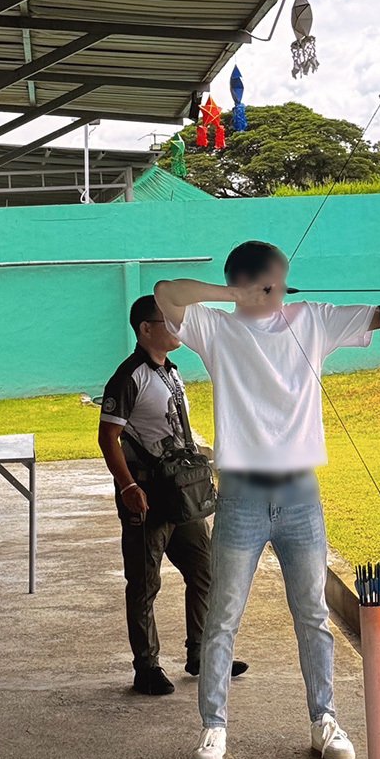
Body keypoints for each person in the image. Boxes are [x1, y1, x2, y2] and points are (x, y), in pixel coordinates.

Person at [155, 241, 380, 759]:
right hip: (241, 496)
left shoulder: (311, 319)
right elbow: (165, 293)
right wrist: (233, 294)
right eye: (274, 281)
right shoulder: (215, 328)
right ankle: (213, 728)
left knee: (312, 614)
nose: (284, 290)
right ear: (251, 283)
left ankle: (324, 720)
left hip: (300, 497)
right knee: (222, 617)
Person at [98, 294, 248, 696]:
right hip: (147, 495)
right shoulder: (129, 377)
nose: (178, 326)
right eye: (168, 320)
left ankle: (202, 653)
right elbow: (107, 436)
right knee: (144, 583)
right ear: (146, 329)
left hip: (181, 494)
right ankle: (146, 667)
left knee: (204, 570)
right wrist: (128, 487)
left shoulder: (172, 372)